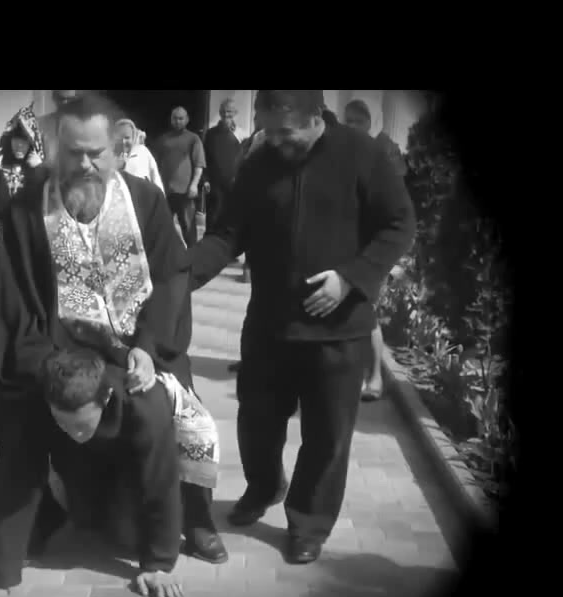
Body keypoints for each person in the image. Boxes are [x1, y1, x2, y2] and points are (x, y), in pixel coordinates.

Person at [0, 93, 207, 597]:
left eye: (96, 153)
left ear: (117, 150)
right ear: (54, 150)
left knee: (154, 417)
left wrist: (147, 346)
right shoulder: (28, 208)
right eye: (73, 153)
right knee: (20, 420)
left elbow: (171, 279)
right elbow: (16, 302)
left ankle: (179, 532)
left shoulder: (145, 201)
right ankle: (43, 515)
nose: (85, 164)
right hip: (57, 359)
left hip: (135, 355)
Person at [189, 90, 415, 565]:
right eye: (266, 129)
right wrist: (180, 275)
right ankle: (264, 486)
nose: (273, 140)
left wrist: (351, 278)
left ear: (316, 117)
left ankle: (309, 522)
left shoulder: (361, 154)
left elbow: (399, 224)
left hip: (339, 331)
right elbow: (228, 233)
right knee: (256, 421)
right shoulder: (260, 162)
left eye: (284, 132)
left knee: (327, 436)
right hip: (269, 325)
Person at [343, 98, 408, 401]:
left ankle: (375, 378)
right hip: (350, 245)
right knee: (353, 313)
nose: (352, 126)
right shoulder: (345, 152)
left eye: (357, 121)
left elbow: (395, 209)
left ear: (369, 123)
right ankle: (358, 377)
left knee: (366, 312)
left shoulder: (382, 153)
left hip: (373, 248)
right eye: (348, 121)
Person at [0, 104, 46, 250]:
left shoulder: (38, 168)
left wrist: (40, 171)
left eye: (24, 140)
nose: (19, 145)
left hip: (27, 241)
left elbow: (43, 205)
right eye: (15, 139)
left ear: (32, 142)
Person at [154, 106, 206, 248]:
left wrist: (194, 185)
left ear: (187, 119)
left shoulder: (193, 139)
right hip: (166, 192)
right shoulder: (163, 140)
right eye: (175, 118)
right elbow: (154, 164)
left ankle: (193, 257)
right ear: (171, 120)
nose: (178, 121)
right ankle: (170, 255)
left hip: (185, 192)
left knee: (189, 229)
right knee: (163, 227)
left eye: (181, 118)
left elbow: (199, 165)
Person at [203, 98, 243, 233]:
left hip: (233, 183)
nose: (226, 114)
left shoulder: (241, 134)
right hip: (215, 183)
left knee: (231, 217)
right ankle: (209, 242)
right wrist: (205, 179)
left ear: (235, 113)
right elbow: (205, 157)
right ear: (220, 113)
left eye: (229, 111)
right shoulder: (211, 134)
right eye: (224, 111)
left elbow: (244, 159)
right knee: (212, 217)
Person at [114, 118, 165, 192]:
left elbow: (155, 176)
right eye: (120, 138)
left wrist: (161, 195)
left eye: (127, 138)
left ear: (133, 137)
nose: (123, 142)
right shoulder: (110, 155)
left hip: (143, 195)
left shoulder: (142, 151)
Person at [39, 90, 79, 162]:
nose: (65, 103)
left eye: (70, 99)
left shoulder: (87, 126)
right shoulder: (40, 124)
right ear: (54, 98)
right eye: (61, 99)